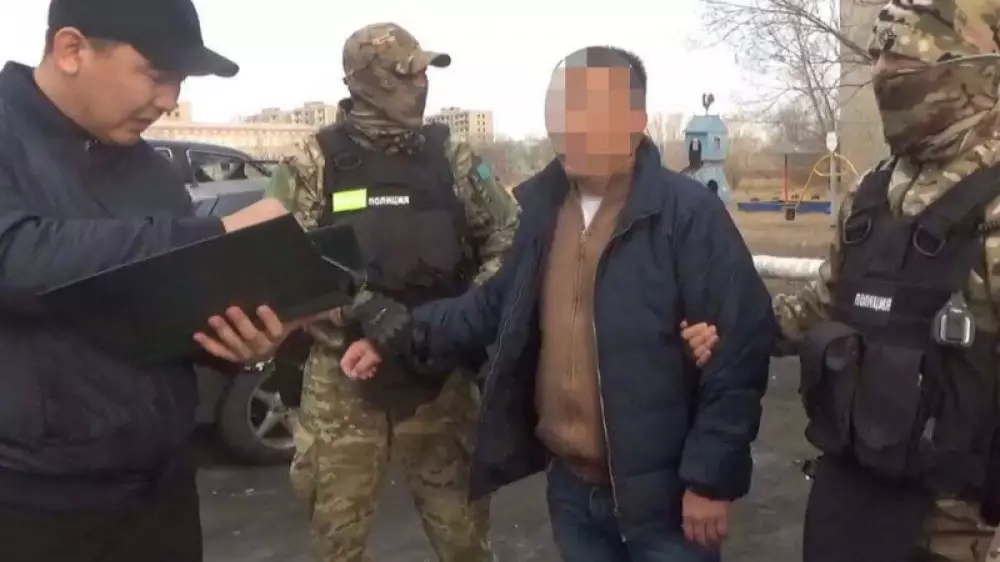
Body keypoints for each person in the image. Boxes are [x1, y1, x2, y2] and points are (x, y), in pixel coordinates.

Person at [340, 46, 777, 562]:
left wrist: (710, 480)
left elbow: (739, 350)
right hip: (572, 495)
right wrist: (395, 337)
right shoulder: (540, 212)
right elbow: (489, 307)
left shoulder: (687, 214)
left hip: (666, 506)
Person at [680, 1, 1000, 560]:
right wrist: (728, 331)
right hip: (851, 509)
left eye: (903, 61)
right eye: (878, 57)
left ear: (968, 69)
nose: (882, 73)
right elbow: (818, 307)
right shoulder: (872, 194)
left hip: (960, 530)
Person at [0, 0, 311, 561]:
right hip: (29, 504)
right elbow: (17, 255)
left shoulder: (147, 168)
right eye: (157, 74)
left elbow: (166, 303)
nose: (169, 100)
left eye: (180, 81)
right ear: (72, 50)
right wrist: (216, 233)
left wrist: (237, 343)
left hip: (160, 495)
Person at [267, 22, 518, 562]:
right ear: (362, 81)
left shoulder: (453, 156)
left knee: (464, 542)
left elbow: (510, 240)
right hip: (344, 382)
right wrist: (360, 308)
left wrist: (456, 317)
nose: (421, 84)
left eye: (425, 73)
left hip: (439, 376)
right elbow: (280, 262)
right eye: (406, 74)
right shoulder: (312, 161)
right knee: (337, 545)